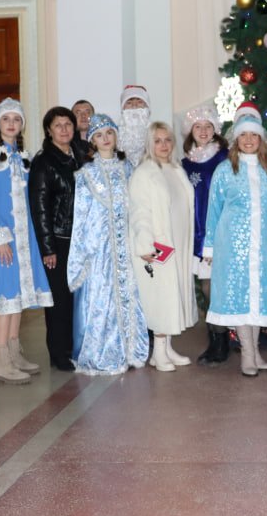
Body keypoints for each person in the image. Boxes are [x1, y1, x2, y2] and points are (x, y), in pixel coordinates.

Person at [203, 116, 267, 377]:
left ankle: (254, 351)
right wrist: (210, 247)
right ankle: (247, 354)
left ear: (261, 139)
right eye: (244, 135)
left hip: (263, 247)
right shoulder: (225, 170)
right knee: (240, 298)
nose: (249, 140)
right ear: (236, 140)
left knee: (258, 299)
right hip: (232, 246)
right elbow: (214, 210)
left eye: (254, 135)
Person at [0, 98, 53, 384]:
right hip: (4, 242)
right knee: (5, 301)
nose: (11, 124)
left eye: (16, 119)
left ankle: (14, 351)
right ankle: (1, 360)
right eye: (6, 119)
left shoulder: (25, 158)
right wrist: (0, 240)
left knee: (18, 301)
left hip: (25, 239)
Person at [68, 114, 150, 375]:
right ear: (92, 140)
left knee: (129, 295)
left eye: (109, 133)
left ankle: (129, 349)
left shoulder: (130, 169)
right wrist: (82, 253)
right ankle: (102, 353)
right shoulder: (85, 174)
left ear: (116, 137)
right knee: (102, 299)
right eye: (99, 135)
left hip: (126, 245)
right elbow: (80, 218)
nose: (105, 139)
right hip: (100, 249)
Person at [130, 121, 198, 372]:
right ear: (150, 143)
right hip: (157, 246)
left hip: (177, 242)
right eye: (157, 140)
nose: (163, 145)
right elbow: (139, 212)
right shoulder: (144, 173)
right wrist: (146, 244)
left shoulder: (175, 169)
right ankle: (158, 353)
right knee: (160, 295)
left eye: (167, 139)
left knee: (174, 293)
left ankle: (167, 347)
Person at [28, 106, 82, 372]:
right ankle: (59, 352)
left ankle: (76, 346)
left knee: (77, 296)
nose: (64, 129)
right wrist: (47, 247)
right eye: (58, 125)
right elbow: (40, 209)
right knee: (59, 299)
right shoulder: (44, 162)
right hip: (59, 241)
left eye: (68, 124)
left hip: (81, 238)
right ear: (48, 130)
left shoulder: (80, 155)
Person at [181, 105, 232, 365]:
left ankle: (222, 341)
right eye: (198, 126)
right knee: (206, 286)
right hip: (196, 236)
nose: (203, 131)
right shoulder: (185, 163)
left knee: (218, 288)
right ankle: (214, 339)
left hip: (219, 234)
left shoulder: (225, 158)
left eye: (208, 126)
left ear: (215, 131)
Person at [118, 85, 153, 167]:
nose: (134, 106)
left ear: (147, 107)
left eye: (139, 102)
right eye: (129, 103)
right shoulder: (115, 134)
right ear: (123, 108)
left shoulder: (155, 132)